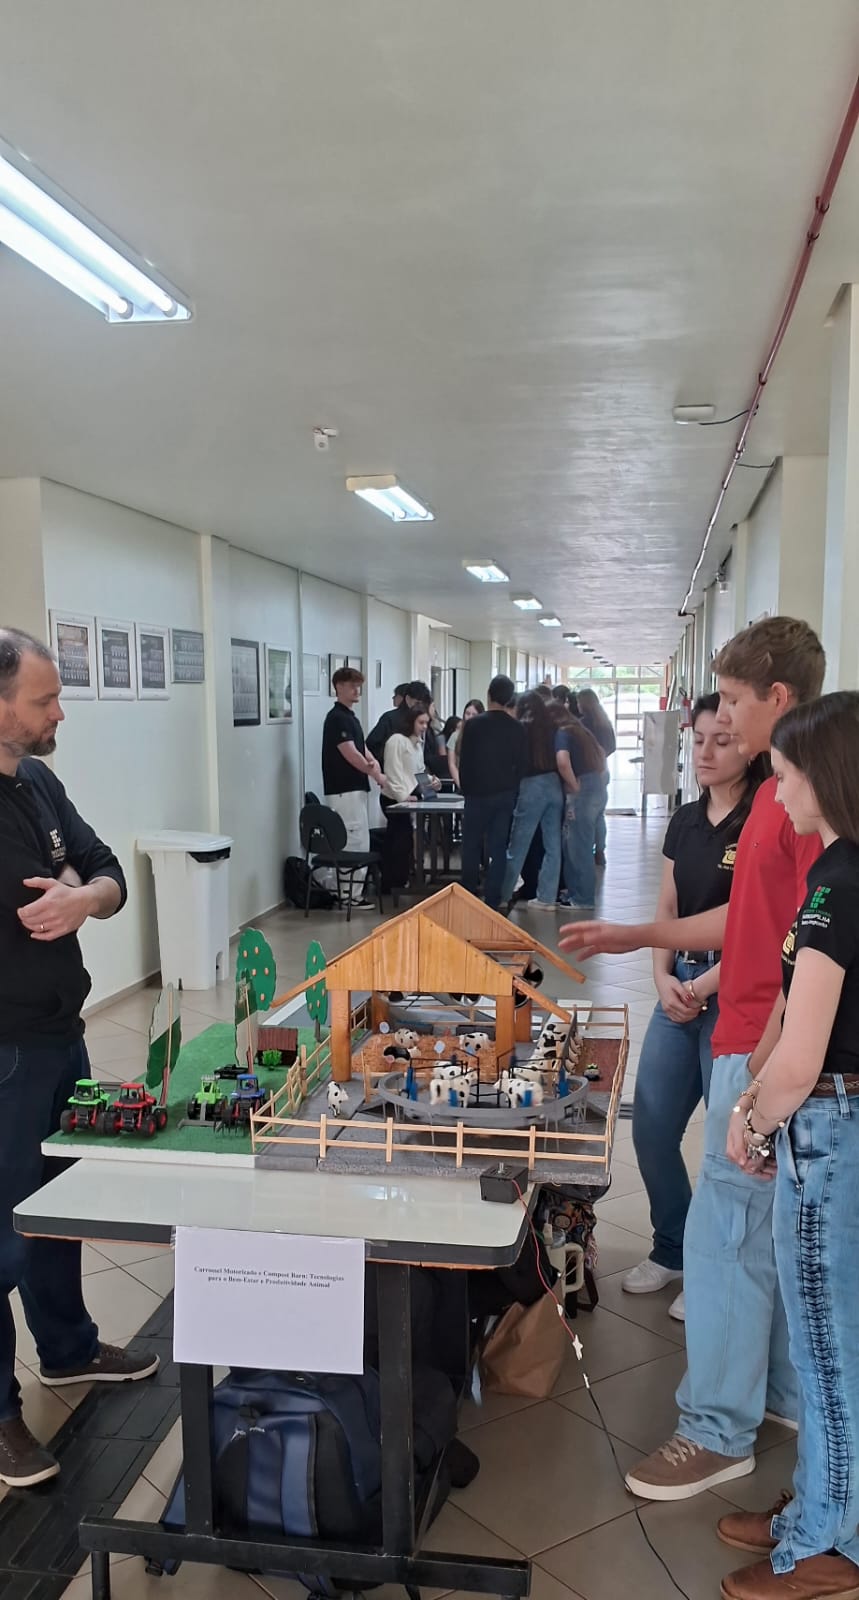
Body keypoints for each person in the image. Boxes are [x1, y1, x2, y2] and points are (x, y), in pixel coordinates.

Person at [559, 616, 825, 1501]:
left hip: (754, 1046)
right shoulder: (778, 795)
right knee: (757, 1239)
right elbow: (744, 920)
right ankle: (775, 1395)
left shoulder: (802, 803)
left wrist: (763, 1073)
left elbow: (809, 946)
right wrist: (638, 934)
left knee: (725, 1245)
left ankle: (715, 1430)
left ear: (776, 698)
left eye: (735, 702)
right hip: (744, 1034)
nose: (722, 720)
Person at [0, 628, 159, 1489]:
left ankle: (66, 1349)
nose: (60, 712)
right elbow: (40, 900)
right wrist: (77, 893)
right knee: (2, 1234)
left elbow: (105, 872)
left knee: (61, 1207)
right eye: (44, 699)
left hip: (63, 1035)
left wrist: (84, 896)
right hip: (6, 1051)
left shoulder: (36, 779)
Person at [719, 691, 859, 1600]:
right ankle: (821, 1502)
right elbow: (787, 1011)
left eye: (784, 773)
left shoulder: (840, 886)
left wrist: (750, 1122)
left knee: (825, 1347)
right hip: (837, 1124)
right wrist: (753, 1090)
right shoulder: (837, 870)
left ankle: (825, 1545)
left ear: (825, 776)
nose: (775, 790)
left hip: (829, 1131)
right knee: (835, 1337)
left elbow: (803, 1057)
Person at [623, 694, 764, 1313]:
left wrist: (702, 987)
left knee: (722, 1145)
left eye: (721, 741)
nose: (705, 752)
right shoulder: (684, 819)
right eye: (698, 739)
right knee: (652, 1127)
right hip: (678, 983)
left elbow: (759, 925)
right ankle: (672, 1248)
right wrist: (661, 976)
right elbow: (668, 907)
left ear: (749, 746)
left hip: (733, 991)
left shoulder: (763, 817)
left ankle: (709, 1268)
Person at [458, 677, 527, 910]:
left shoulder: (473, 725)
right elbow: (522, 765)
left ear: (488, 695)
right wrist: (512, 789)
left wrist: (466, 788)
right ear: (510, 698)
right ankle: (493, 900)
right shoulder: (517, 728)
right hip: (504, 795)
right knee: (498, 849)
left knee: (471, 846)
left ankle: (468, 895)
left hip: (476, 795)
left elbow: (465, 761)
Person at [321, 666, 383, 907]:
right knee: (353, 841)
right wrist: (372, 771)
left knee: (361, 840)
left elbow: (361, 748)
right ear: (339, 687)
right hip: (343, 790)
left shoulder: (350, 717)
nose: (357, 690)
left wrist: (375, 767)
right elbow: (349, 753)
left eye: (359, 686)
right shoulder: (336, 718)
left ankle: (352, 892)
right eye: (352, 686)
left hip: (355, 789)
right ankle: (348, 895)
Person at [500, 691, 564, 911]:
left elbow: (513, 761)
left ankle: (503, 894)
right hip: (554, 783)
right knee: (553, 846)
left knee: (517, 845)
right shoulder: (552, 727)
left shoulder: (520, 729)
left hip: (531, 786)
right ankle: (547, 898)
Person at [548, 699, 606, 910]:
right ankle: (574, 893)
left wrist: (573, 786)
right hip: (596, 785)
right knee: (576, 843)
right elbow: (601, 755)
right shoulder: (580, 730)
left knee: (578, 847)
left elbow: (563, 761)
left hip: (582, 791)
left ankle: (582, 898)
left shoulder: (563, 733)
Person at [380, 704, 439, 891]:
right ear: (411, 721)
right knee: (399, 841)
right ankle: (393, 883)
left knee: (405, 841)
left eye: (426, 723)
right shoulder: (396, 741)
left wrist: (431, 785)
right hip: (394, 798)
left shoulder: (417, 744)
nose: (424, 727)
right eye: (421, 722)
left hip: (408, 799)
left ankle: (400, 880)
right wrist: (403, 797)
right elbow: (393, 771)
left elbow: (418, 772)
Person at [577, 687, 616, 867]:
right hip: (603, 771)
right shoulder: (604, 722)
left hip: (588, 773)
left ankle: (586, 852)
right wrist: (602, 756)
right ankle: (600, 851)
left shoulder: (582, 724)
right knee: (599, 814)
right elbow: (612, 746)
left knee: (587, 815)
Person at [366, 680, 432, 766]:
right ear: (408, 699)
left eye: (424, 704)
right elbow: (372, 744)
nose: (421, 707)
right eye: (417, 703)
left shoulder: (425, 720)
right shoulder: (390, 718)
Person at [447, 699, 484, 789]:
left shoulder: (486, 736)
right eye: (467, 713)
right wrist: (461, 785)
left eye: (474, 714)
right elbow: (452, 764)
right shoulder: (455, 736)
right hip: (462, 783)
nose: (470, 717)